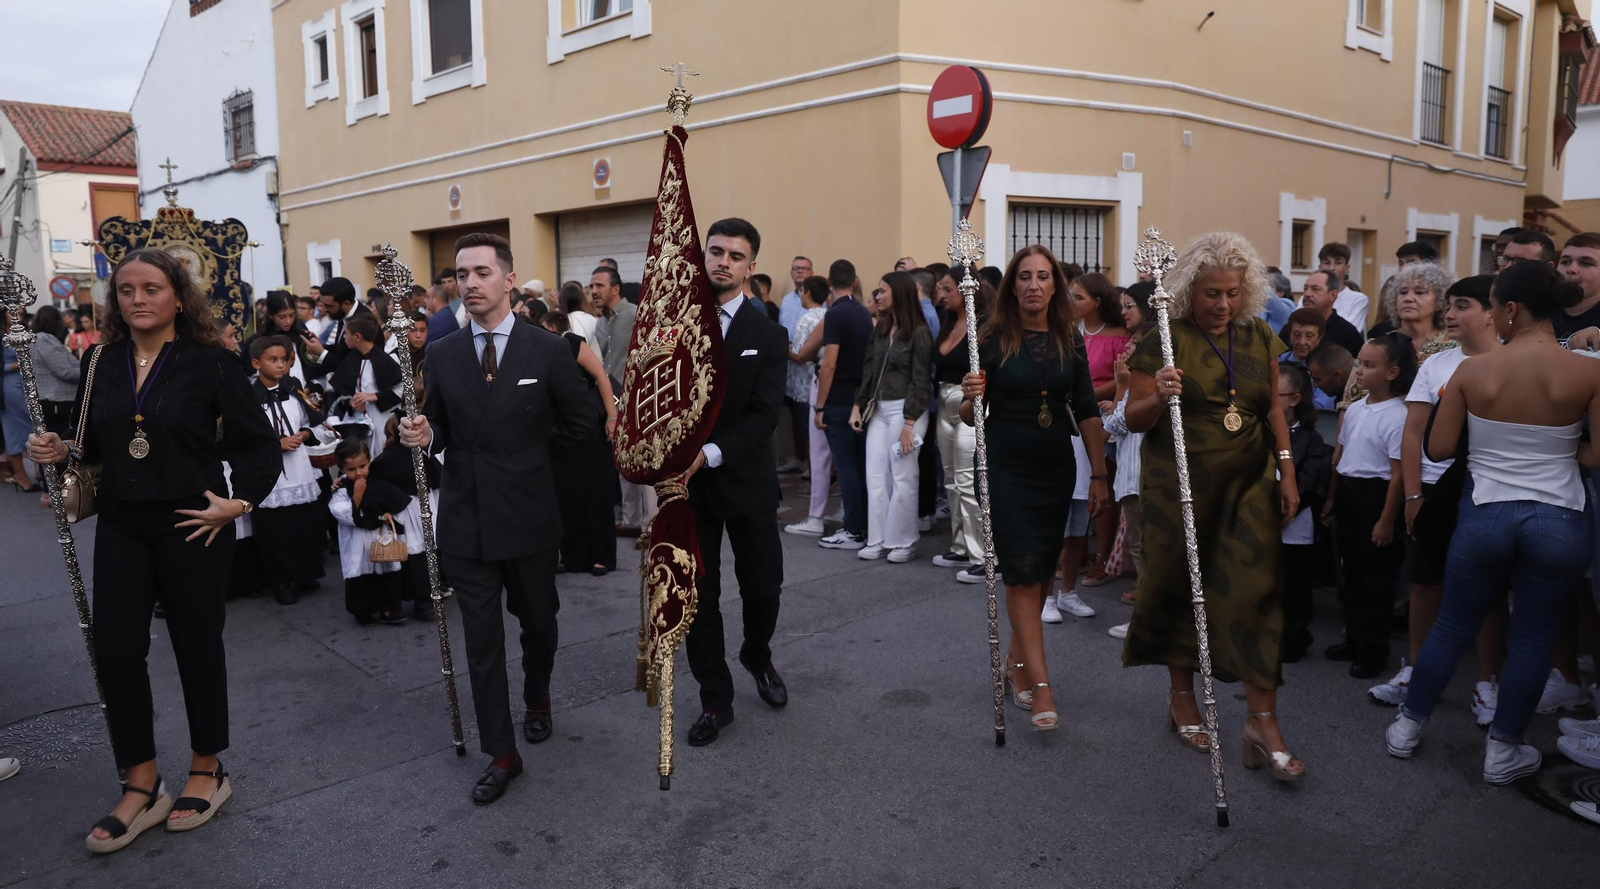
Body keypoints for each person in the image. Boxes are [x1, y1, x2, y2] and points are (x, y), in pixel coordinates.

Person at [26, 248, 281, 852]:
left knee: (196, 646)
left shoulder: (211, 364)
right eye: (126, 290)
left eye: (151, 288)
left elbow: (258, 446)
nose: (137, 299)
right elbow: (91, 444)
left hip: (190, 524)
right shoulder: (99, 361)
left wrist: (238, 503)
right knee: (115, 651)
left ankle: (206, 767)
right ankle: (141, 782)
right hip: (120, 524)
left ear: (177, 296)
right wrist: (61, 451)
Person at [397, 232, 596, 806]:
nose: (471, 283)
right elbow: (434, 423)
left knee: (538, 623)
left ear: (508, 280)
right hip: (467, 520)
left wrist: (530, 465)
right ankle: (501, 753)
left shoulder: (548, 348)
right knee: (482, 643)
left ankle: (538, 697)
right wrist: (419, 432)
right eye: (462, 274)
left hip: (530, 517)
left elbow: (581, 425)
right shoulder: (441, 353)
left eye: (483, 272)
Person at [1385, 260, 1600, 785]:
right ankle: (1504, 750)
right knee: (1532, 638)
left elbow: (1437, 447)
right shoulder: (1589, 369)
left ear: (1511, 309)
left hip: (1486, 512)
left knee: (1453, 623)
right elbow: (1595, 459)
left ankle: (1408, 726)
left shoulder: (1472, 370)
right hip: (1559, 516)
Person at [1121, 232, 1304, 780]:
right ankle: (1182, 699)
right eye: (1211, 294)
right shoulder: (1163, 341)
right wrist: (1159, 394)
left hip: (1249, 479)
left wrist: (1287, 469)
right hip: (1176, 480)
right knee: (1179, 585)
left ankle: (1262, 722)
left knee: (1257, 595)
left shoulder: (1258, 336)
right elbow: (1132, 419)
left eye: (1231, 292)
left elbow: (1273, 408)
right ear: (1188, 291)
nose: (1222, 304)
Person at [959, 245, 1110, 731]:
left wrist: (1099, 471)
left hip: (1053, 466)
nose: (1033, 285)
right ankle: (1042, 686)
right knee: (1022, 574)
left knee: (1042, 570)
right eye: (1024, 277)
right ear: (1012, 286)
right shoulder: (994, 336)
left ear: (1055, 286)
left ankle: (1017, 666)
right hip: (1003, 467)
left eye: (1043, 277)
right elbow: (970, 417)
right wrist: (969, 397)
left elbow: (1086, 406)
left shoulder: (1069, 337)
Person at [681, 218, 790, 747]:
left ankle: (757, 653)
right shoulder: (675, 327)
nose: (722, 261)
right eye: (715, 251)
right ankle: (715, 701)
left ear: (750, 267)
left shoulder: (767, 334)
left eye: (735, 255)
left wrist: (712, 451)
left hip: (744, 481)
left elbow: (766, 414)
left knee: (764, 587)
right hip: (688, 490)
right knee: (698, 597)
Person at [1377, 275, 1505, 714]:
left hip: (1487, 489)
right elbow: (1413, 434)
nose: (1449, 314)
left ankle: (1486, 683)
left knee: (1486, 591)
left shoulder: (1512, 362)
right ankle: (1415, 669)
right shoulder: (1436, 365)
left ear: (1493, 312)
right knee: (1425, 581)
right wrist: (1413, 496)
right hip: (1432, 489)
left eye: (1462, 305)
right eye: (1448, 305)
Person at [1323, 335, 1414, 678]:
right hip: (1349, 493)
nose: (1358, 371)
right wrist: (1332, 498)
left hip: (1376, 499)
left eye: (1368, 365)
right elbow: (1340, 457)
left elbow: (1398, 473)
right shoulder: (1357, 408)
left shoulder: (1399, 415)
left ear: (1392, 372)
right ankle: (1353, 637)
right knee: (1350, 574)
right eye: (1359, 363)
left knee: (1375, 580)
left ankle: (1373, 650)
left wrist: (1387, 520)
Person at [848, 271, 932, 562]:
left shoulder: (919, 331)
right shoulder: (882, 327)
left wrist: (909, 423)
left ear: (899, 293)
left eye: (882, 291)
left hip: (906, 412)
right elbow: (869, 369)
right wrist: (858, 405)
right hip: (880, 411)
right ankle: (877, 539)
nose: (877, 296)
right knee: (875, 475)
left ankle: (903, 541)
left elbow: (921, 381)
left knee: (903, 476)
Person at [248, 336, 327, 606]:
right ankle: (280, 580)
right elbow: (243, 436)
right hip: (269, 474)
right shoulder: (248, 397)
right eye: (273, 360)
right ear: (256, 363)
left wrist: (304, 434)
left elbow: (310, 422)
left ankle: (304, 573)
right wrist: (276, 444)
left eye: (284, 359)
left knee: (302, 523)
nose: (281, 365)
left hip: (299, 469)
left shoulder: (293, 391)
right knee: (274, 530)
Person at [540, 310, 618, 576]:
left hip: (590, 426)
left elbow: (601, 376)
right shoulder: (538, 351)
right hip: (561, 431)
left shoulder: (572, 343)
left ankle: (601, 556)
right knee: (567, 494)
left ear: (551, 327)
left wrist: (612, 417)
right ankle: (573, 556)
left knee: (596, 492)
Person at [1070, 272, 1130, 588]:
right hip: (1069, 417)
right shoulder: (1070, 331)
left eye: (1078, 297)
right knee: (1073, 489)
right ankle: (1075, 553)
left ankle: (1102, 557)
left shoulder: (1118, 335)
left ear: (1097, 301)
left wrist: (1087, 395)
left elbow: (1124, 376)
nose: (1071, 302)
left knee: (1098, 486)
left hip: (1100, 418)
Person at [813, 259, 874, 551]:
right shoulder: (864, 312)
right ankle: (864, 525)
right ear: (854, 281)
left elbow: (829, 364)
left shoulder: (835, 315)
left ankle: (852, 529)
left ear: (828, 282)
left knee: (846, 466)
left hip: (838, 399)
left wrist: (819, 406)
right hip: (860, 399)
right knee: (860, 465)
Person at [930, 271, 986, 579]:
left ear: (966, 291)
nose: (943, 295)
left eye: (947, 289)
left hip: (969, 403)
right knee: (951, 478)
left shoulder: (983, 325)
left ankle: (982, 554)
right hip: (944, 399)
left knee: (968, 480)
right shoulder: (948, 321)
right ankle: (961, 545)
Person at [1342, 261, 1454, 412]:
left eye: (1419, 292)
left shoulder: (1454, 347)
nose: (1408, 298)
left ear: (1440, 302)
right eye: (1403, 292)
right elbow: (1349, 402)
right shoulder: (1377, 345)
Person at [1277, 362, 1331, 662]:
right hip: (1259, 520)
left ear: (1295, 399)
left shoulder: (1311, 439)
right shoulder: (1256, 429)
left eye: (1275, 393)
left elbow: (1307, 485)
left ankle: (1294, 638)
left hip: (1293, 524)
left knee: (1293, 586)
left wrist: (1283, 507)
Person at [591, 266, 649, 534]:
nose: (593, 291)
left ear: (615, 289)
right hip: (613, 402)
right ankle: (632, 520)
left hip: (641, 400)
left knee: (646, 462)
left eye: (599, 286)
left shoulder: (637, 314)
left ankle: (652, 521)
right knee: (623, 463)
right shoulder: (600, 324)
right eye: (591, 287)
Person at [328, 437, 408, 625]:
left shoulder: (379, 482)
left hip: (380, 539)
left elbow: (395, 503)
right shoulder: (341, 490)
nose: (358, 473)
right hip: (357, 542)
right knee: (361, 577)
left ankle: (389, 609)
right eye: (351, 469)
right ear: (342, 469)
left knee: (386, 574)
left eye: (362, 466)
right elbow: (341, 514)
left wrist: (388, 515)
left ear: (369, 461)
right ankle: (363, 611)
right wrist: (357, 495)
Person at [370, 413, 442, 620]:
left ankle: (429, 597)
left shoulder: (422, 453)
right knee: (418, 557)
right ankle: (423, 601)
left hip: (421, 507)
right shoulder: (389, 459)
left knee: (425, 555)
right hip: (408, 512)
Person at [1102, 332, 1148, 640]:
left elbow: (1113, 427)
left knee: (1143, 550)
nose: (1126, 349)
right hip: (1135, 481)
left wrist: (1120, 387)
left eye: (1132, 345)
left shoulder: (1140, 386)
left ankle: (1146, 623)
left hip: (1137, 481)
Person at [783, 275, 832, 537]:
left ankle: (816, 508)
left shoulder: (808, 319)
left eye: (802, 292)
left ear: (809, 293)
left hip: (807, 390)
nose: (800, 296)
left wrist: (783, 347)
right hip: (818, 388)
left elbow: (801, 354)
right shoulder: (829, 314)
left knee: (817, 450)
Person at [17, 307, 81, 501]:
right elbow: (64, 371)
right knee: (56, 449)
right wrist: (90, 370)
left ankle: (51, 491)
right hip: (56, 401)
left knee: (49, 448)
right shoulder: (45, 339)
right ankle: (55, 493)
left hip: (49, 400)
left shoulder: (37, 338)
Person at [328, 312, 401, 458]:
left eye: (346, 333)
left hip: (381, 419)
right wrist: (351, 401)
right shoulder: (352, 358)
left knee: (380, 453)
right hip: (358, 420)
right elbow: (343, 387)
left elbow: (400, 391)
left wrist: (374, 396)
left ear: (357, 337)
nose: (344, 337)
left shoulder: (386, 360)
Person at [303, 277, 373, 380]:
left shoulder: (364, 323)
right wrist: (319, 345)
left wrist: (321, 352)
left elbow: (351, 367)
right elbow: (340, 350)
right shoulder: (343, 315)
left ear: (346, 304)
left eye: (329, 306)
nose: (325, 310)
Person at [1282, 270, 1363, 358]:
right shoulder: (1290, 328)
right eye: (1305, 289)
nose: (1307, 294)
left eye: (1315, 289)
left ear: (1333, 295)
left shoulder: (1347, 333)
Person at [1318, 242, 1369, 323]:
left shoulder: (1358, 299)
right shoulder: (1308, 297)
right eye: (1327, 263)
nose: (1332, 268)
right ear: (1320, 267)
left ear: (1347, 268)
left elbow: (1350, 331)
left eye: (1338, 263)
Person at [778, 255, 812, 336]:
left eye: (804, 268)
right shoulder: (786, 300)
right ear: (791, 273)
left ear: (811, 273)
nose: (800, 271)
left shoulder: (817, 299)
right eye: (796, 268)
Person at [1258, 267, 1295, 332]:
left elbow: (1268, 295)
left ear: (1280, 293)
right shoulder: (1264, 307)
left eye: (1270, 286)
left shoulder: (1288, 306)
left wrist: (1256, 279)